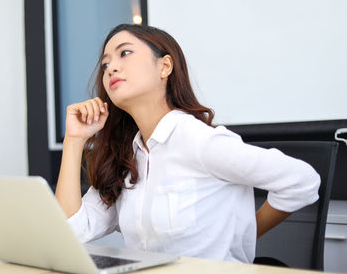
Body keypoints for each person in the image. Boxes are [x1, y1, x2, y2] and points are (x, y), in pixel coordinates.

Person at [55, 24, 320, 263]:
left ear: (165, 67)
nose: (111, 67)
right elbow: (71, 230)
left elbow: (302, 181)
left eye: (125, 53)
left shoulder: (199, 141)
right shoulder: (127, 158)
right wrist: (74, 140)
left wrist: (244, 235)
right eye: (105, 64)